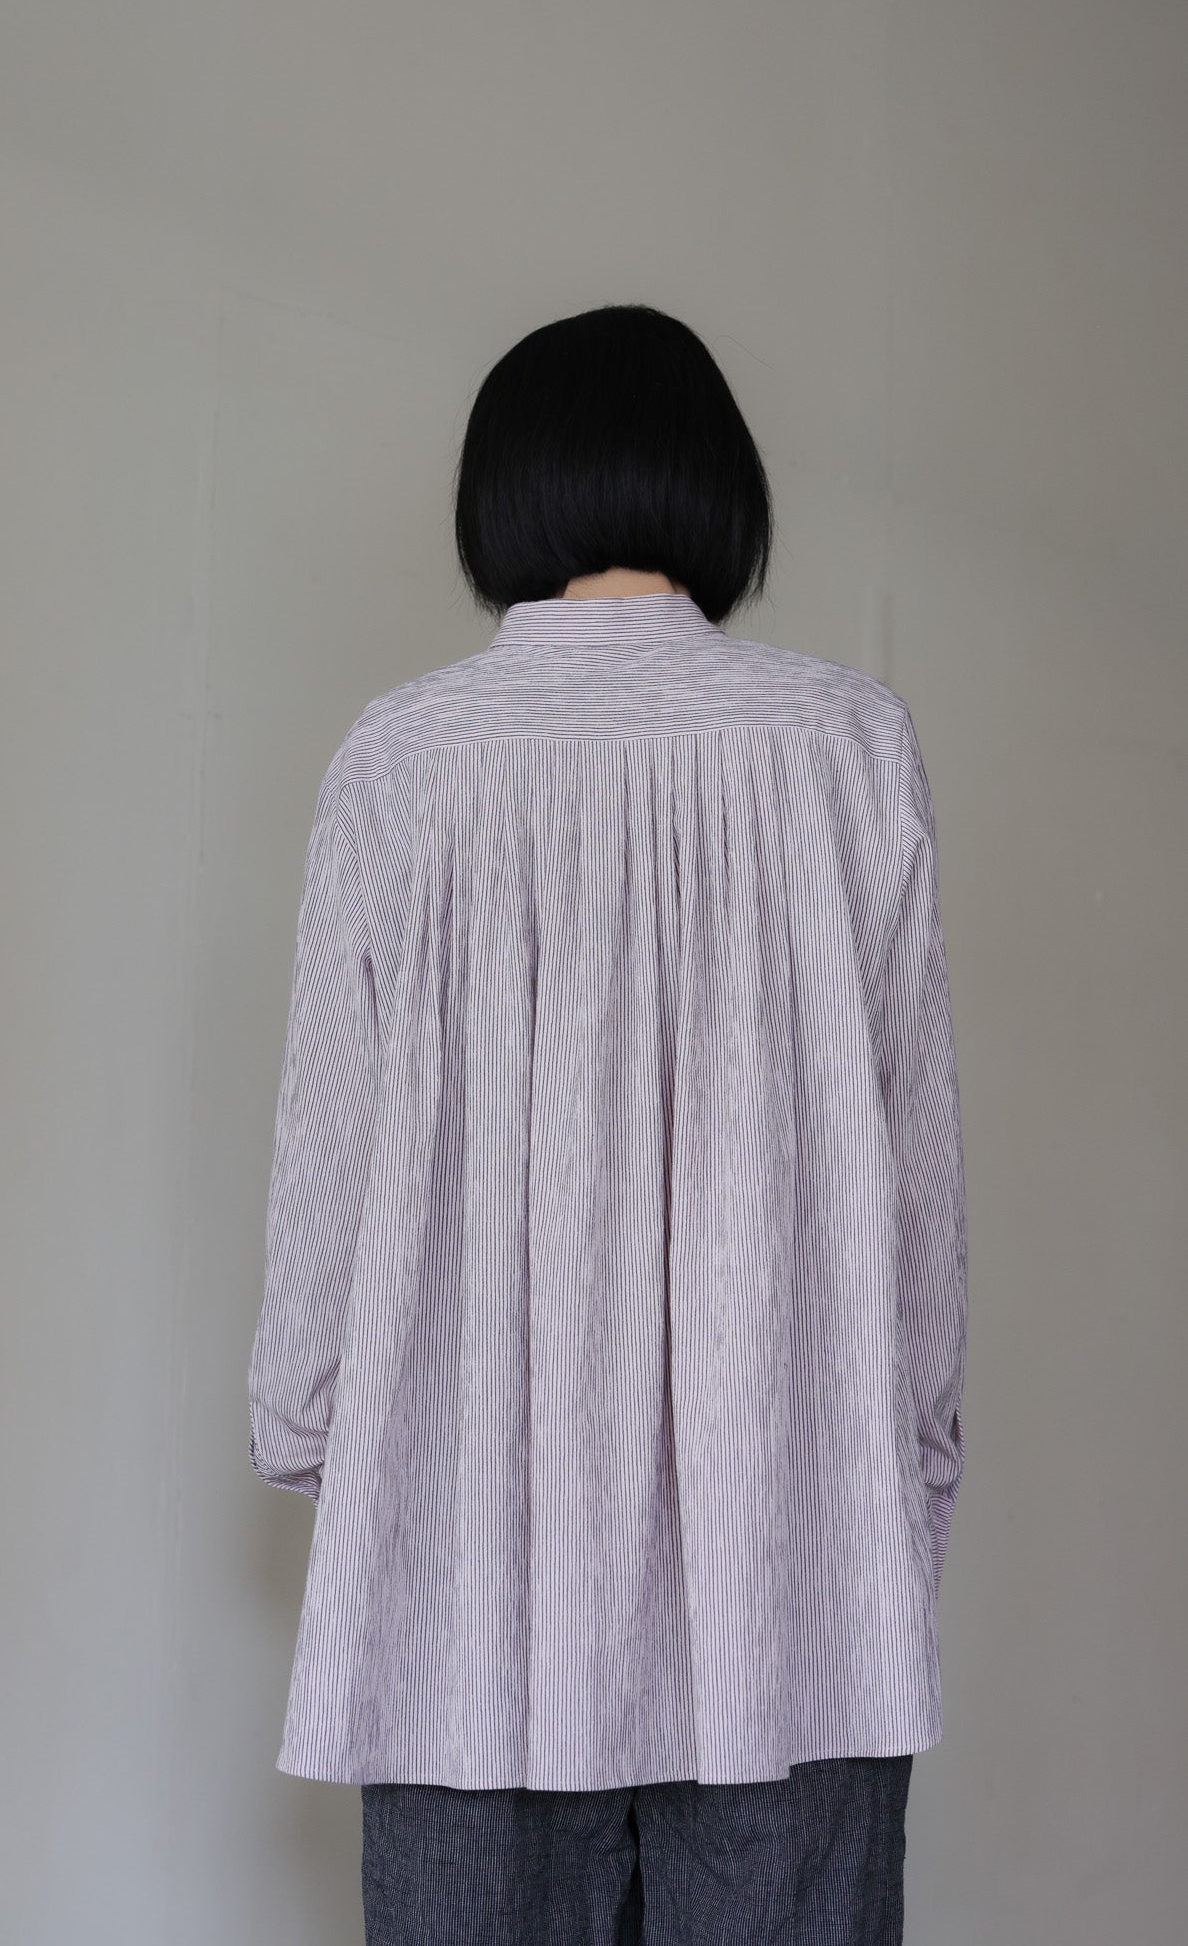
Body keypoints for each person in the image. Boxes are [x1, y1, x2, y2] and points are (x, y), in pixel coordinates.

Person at [248, 303, 968, 1944]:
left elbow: (327, 1164)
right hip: (793, 1584)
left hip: (467, 1588)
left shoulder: (405, 760)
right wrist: (901, 1473)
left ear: (500, 493)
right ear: (719, 485)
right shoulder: (844, 744)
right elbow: (914, 1175)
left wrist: (329, 1445)